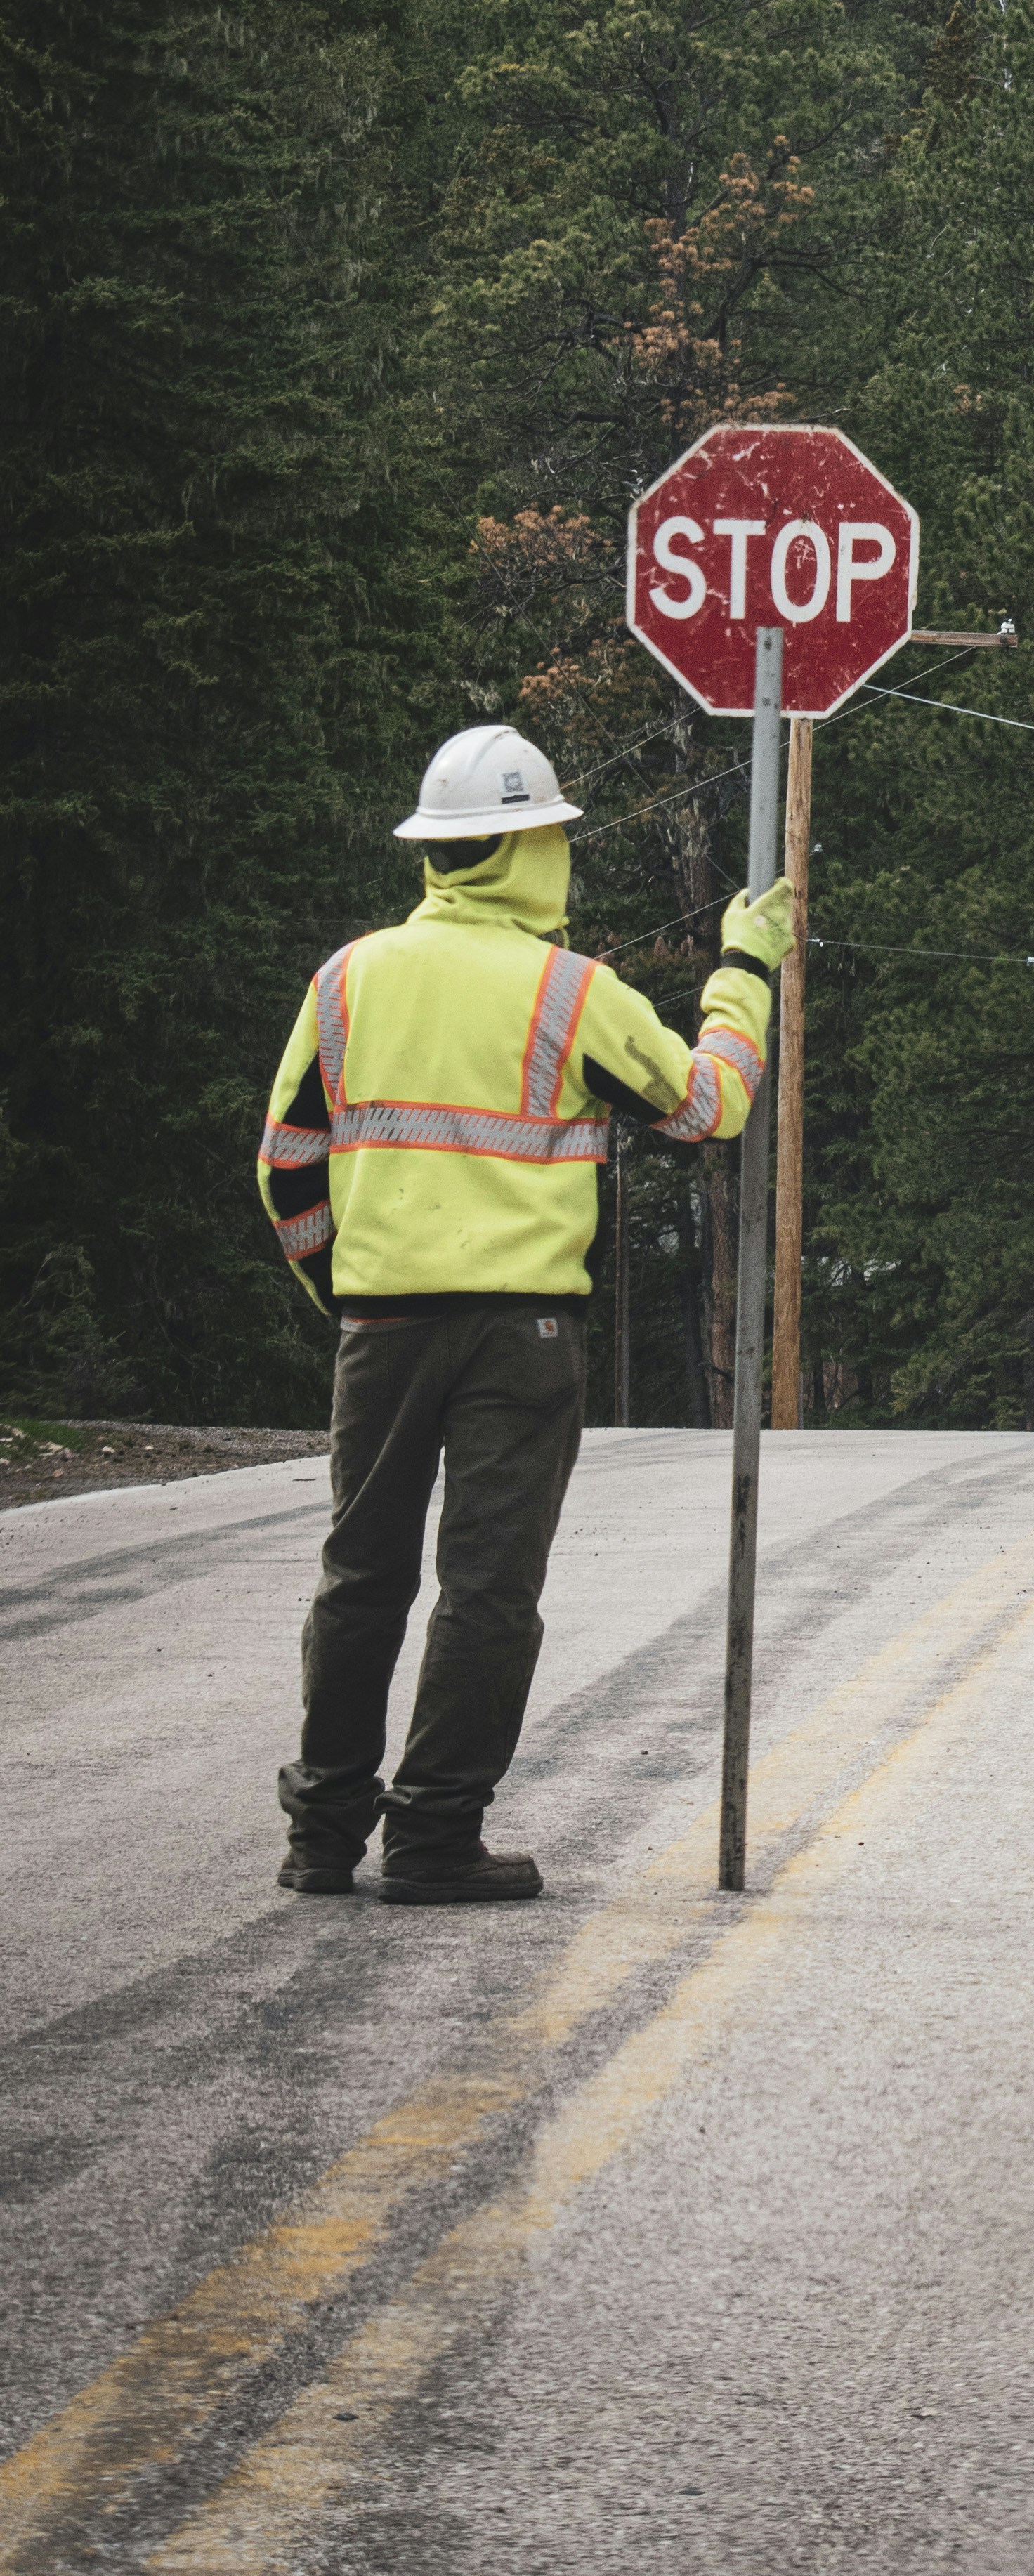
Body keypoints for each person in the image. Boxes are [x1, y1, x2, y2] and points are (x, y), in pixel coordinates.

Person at [256, 722, 794, 1904]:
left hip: (381, 1327)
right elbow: (710, 1105)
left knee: (361, 1576)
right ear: (526, 852)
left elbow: (285, 1165)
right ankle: (436, 1836)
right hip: (522, 1335)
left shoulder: (347, 977)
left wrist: (345, 1291)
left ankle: (323, 1835)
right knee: (488, 1587)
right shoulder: (569, 990)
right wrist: (744, 970)